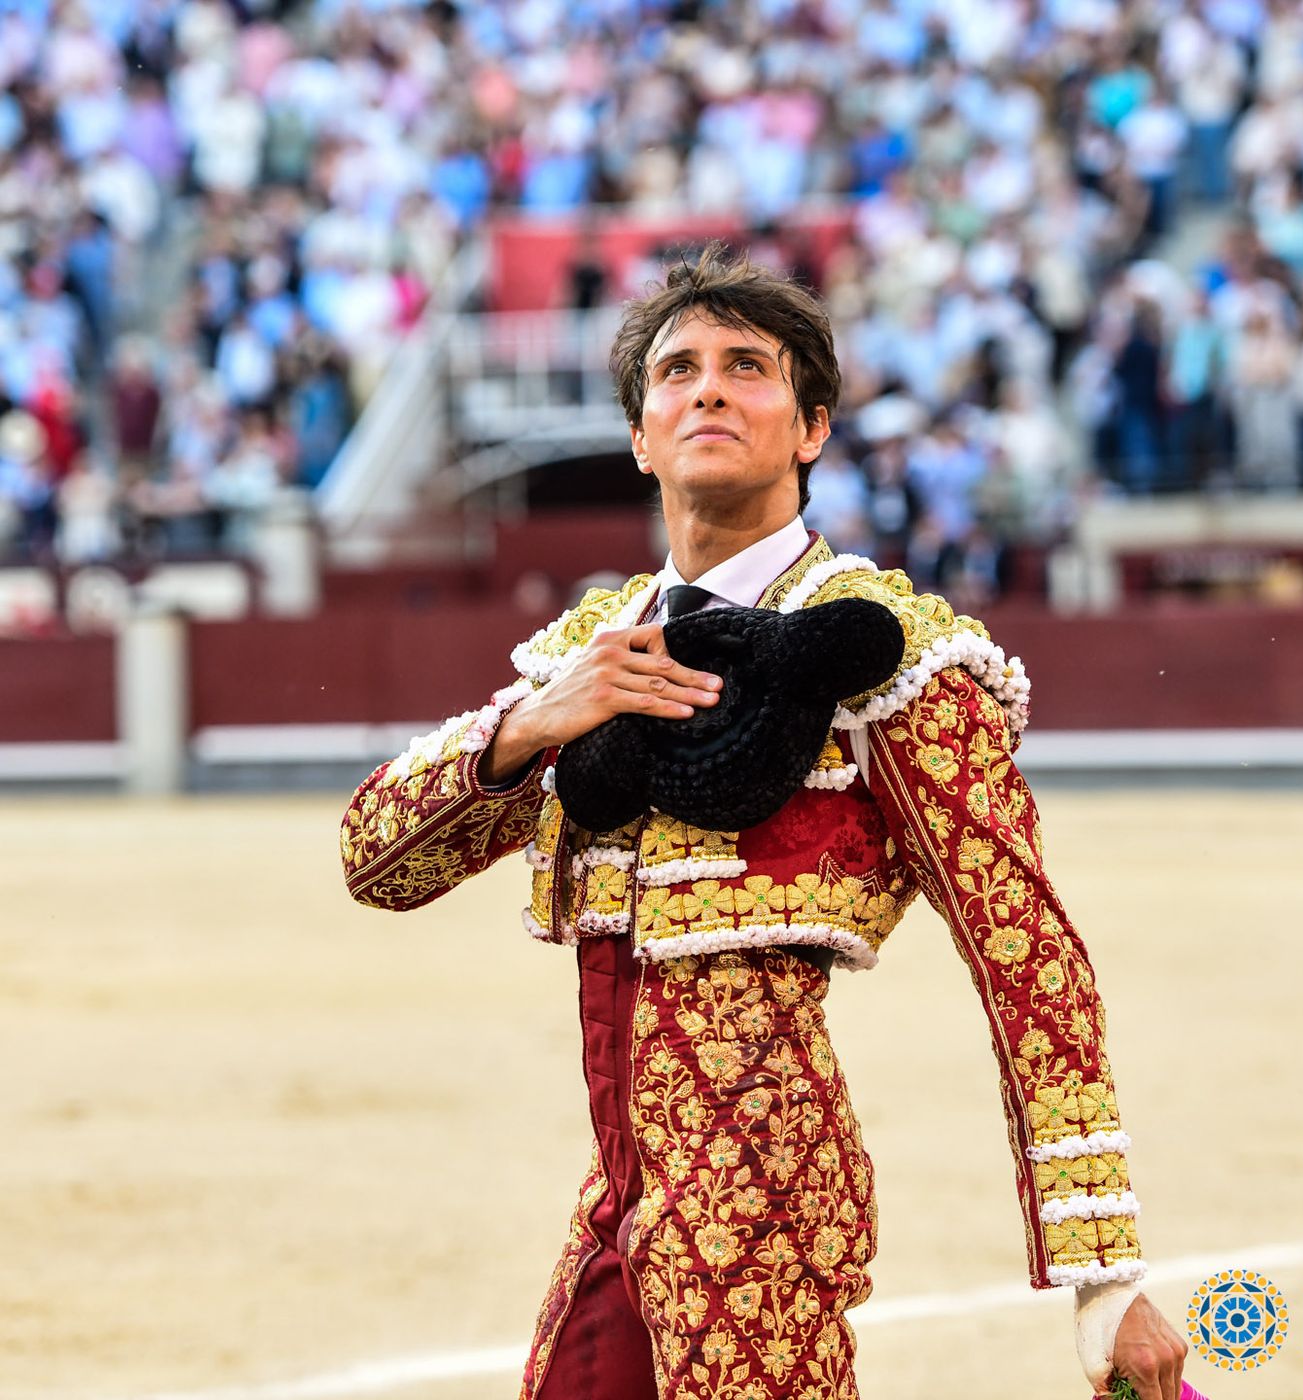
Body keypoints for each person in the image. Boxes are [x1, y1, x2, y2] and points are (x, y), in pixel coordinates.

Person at [339, 242, 1189, 1400]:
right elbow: (375, 861)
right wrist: (531, 722)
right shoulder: (591, 654)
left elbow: (1026, 953)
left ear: (811, 429)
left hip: (766, 1207)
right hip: (619, 1202)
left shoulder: (896, 659)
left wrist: (1104, 1271)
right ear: (640, 437)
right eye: (676, 370)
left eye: (747, 367)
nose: (707, 390)